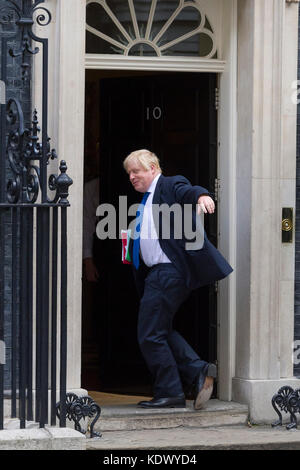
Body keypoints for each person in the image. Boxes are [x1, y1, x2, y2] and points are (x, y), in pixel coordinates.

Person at [123, 149, 233, 409]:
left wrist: (202, 195)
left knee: (149, 334)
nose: (131, 176)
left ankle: (171, 391)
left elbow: (188, 190)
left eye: (136, 171)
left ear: (152, 167)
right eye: (128, 172)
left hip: (168, 272)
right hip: (157, 274)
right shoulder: (145, 200)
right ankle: (197, 370)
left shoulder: (170, 184)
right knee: (160, 330)